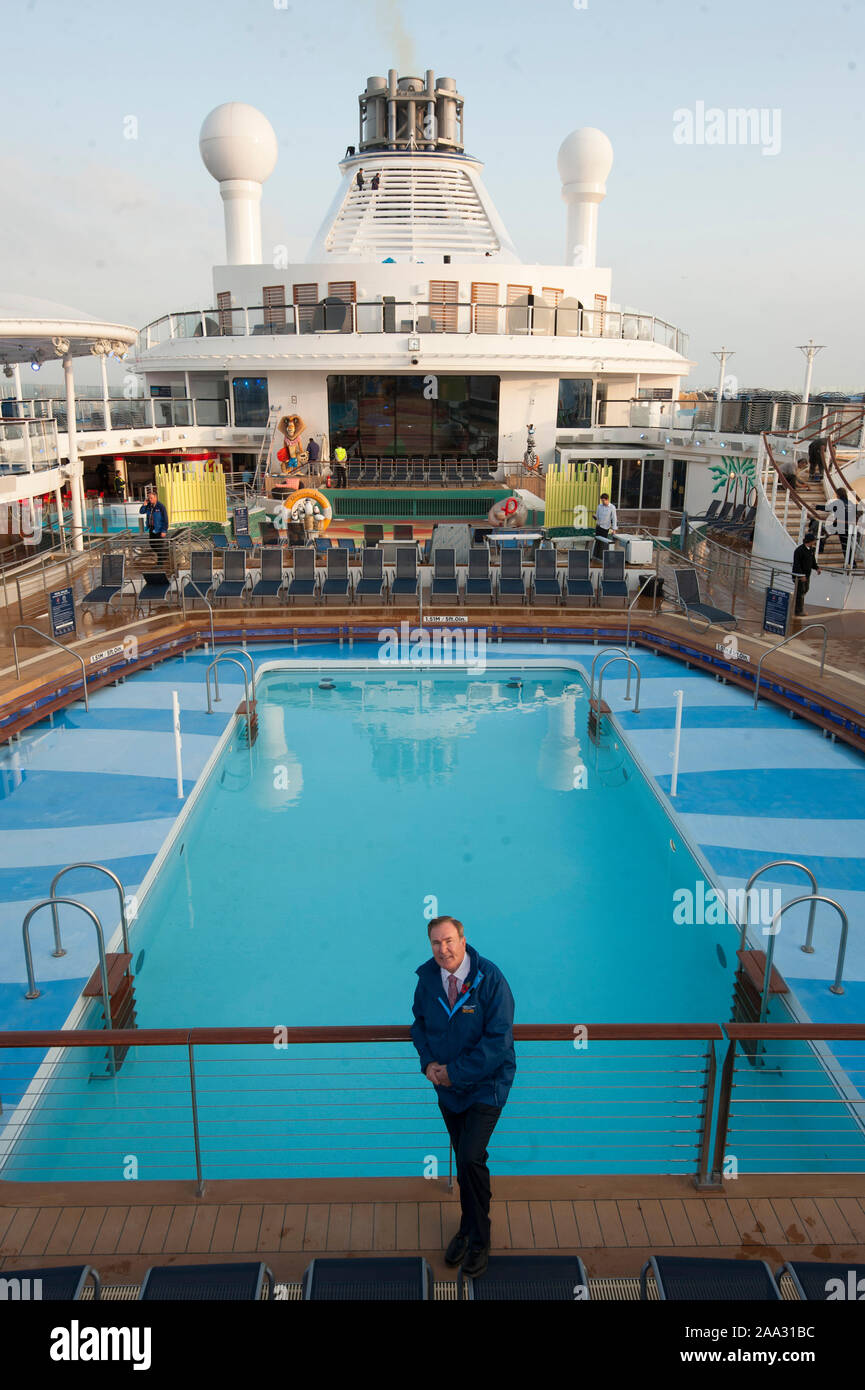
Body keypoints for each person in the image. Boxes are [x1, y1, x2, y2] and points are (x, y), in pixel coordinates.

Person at [410, 915, 516, 1279]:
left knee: (471, 1156)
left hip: (486, 1084)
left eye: (450, 940)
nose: (444, 949)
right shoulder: (427, 978)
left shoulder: (490, 978)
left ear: (463, 939)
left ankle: (480, 1237)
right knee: (464, 1158)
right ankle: (467, 1229)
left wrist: (453, 1072)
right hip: (448, 1088)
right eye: (437, 943)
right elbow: (419, 1024)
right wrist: (429, 1064)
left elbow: (499, 1042)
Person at [792, 533, 820, 616]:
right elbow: (797, 564)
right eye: (814, 540)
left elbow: (812, 561)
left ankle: (798, 606)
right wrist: (801, 575)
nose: (815, 542)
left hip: (807, 575)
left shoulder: (811, 550)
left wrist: (817, 568)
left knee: (805, 589)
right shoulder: (799, 550)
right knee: (800, 592)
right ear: (810, 541)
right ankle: (798, 610)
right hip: (799, 576)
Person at [139, 486, 169, 566]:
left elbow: (165, 519)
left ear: (155, 498)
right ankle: (163, 556)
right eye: (149, 498)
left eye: (151, 498)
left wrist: (164, 530)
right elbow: (141, 512)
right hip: (152, 528)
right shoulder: (149, 506)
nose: (150, 500)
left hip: (159, 529)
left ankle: (160, 562)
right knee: (152, 543)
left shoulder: (161, 507)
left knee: (159, 545)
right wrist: (144, 505)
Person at [593, 492, 618, 561]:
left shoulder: (612, 507)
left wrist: (614, 529)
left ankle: (602, 557)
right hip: (598, 526)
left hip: (605, 528)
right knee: (597, 542)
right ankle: (596, 556)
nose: (603, 502)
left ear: (607, 500)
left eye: (604, 500)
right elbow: (597, 516)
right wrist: (594, 517)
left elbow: (614, 518)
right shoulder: (599, 506)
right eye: (602, 500)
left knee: (603, 543)